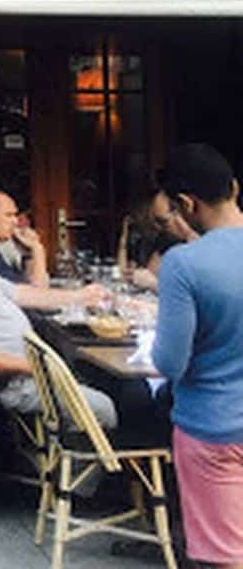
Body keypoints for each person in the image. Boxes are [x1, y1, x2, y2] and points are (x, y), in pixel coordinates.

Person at [0, 194, 117, 429]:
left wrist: (80, 297)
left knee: (91, 377)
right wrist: (41, 369)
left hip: (27, 373)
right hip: (13, 383)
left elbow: (20, 294)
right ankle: (82, 460)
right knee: (104, 406)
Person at [151, 144, 243, 569]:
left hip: (214, 426)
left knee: (223, 558)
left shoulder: (184, 264)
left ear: (187, 204)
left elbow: (170, 362)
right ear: (235, 189)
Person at [0, 186, 48, 286]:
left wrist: (29, 253)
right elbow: (35, 295)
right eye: (8, 215)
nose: (15, 221)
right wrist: (37, 249)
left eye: (15, 215)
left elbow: (26, 285)